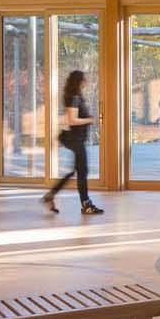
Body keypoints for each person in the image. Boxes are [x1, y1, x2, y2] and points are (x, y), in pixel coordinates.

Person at [43, 70, 103, 215]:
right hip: (74, 139)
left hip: (76, 139)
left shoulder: (76, 96)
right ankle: (86, 205)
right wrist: (90, 120)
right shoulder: (74, 97)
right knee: (82, 171)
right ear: (79, 81)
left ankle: (50, 195)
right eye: (84, 80)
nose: (86, 82)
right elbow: (72, 120)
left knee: (76, 171)